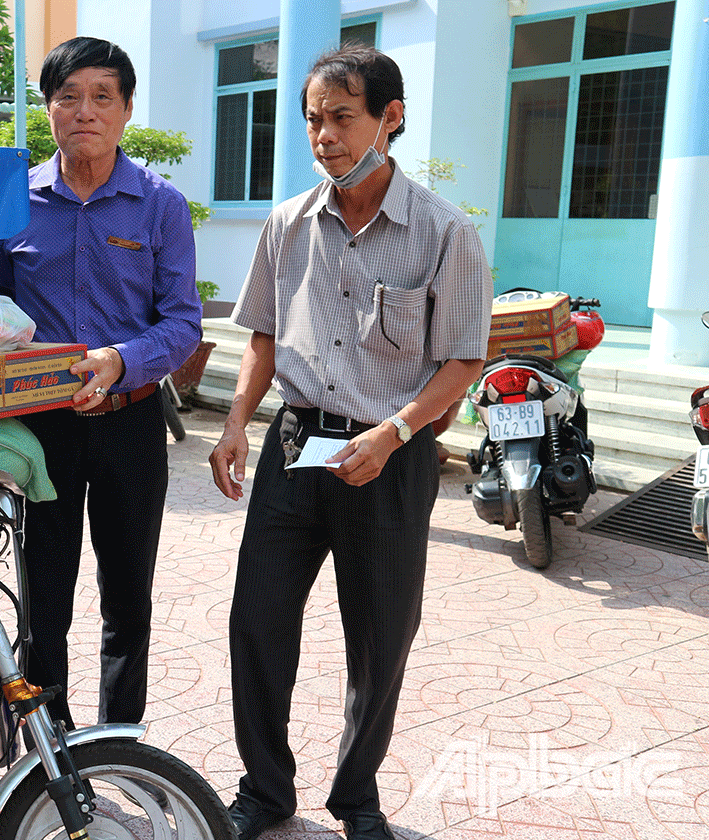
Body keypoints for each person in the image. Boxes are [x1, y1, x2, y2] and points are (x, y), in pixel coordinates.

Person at [207, 46, 492, 840]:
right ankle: (265, 790)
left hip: (390, 459)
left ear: (389, 118)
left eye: (342, 117)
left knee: (380, 637)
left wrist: (397, 431)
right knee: (256, 623)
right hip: (296, 448)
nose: (324, 136)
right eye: (313, 120)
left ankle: (356, 795)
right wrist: (235, 424)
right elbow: (262, 338)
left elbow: (464, 357)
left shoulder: (442, 233)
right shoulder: (288, 223)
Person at [0, 36, 201, 729]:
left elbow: (183, 322)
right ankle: (56, 745)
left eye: (102, 96)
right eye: (68, 96)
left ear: (127, 109)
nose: (84, 111)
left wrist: (120, 360)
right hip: (41, 430)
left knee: (127, 597)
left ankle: (119, 738)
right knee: (45, 596)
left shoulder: (159, 206)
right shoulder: (14, 203)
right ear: (48, 110)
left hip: (131, 424)